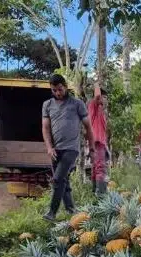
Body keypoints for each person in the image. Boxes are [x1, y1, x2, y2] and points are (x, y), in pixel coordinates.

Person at [42, 73, 94, 222]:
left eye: (60, 89)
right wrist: (49, 148)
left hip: (71, 148)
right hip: (55, 149)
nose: (57, 93)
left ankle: (52, 212)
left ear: (65, 86)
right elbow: (45, 128)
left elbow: (88, 127)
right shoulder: (47, 105)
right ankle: (71, 209)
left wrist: (92, 148)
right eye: (54, 90)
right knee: (64, 180)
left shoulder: (77, 104)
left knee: (58, 179)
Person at [88, 83, 109, 194]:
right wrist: (96, 84)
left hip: (97, 142)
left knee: (96, 168)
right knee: (100, 168)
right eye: (104, 97)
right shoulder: (94, 105)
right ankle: (101, 195)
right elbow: (97, 96)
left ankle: (94, 193)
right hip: (97, 142)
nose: (106, 101)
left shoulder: (100, 110)